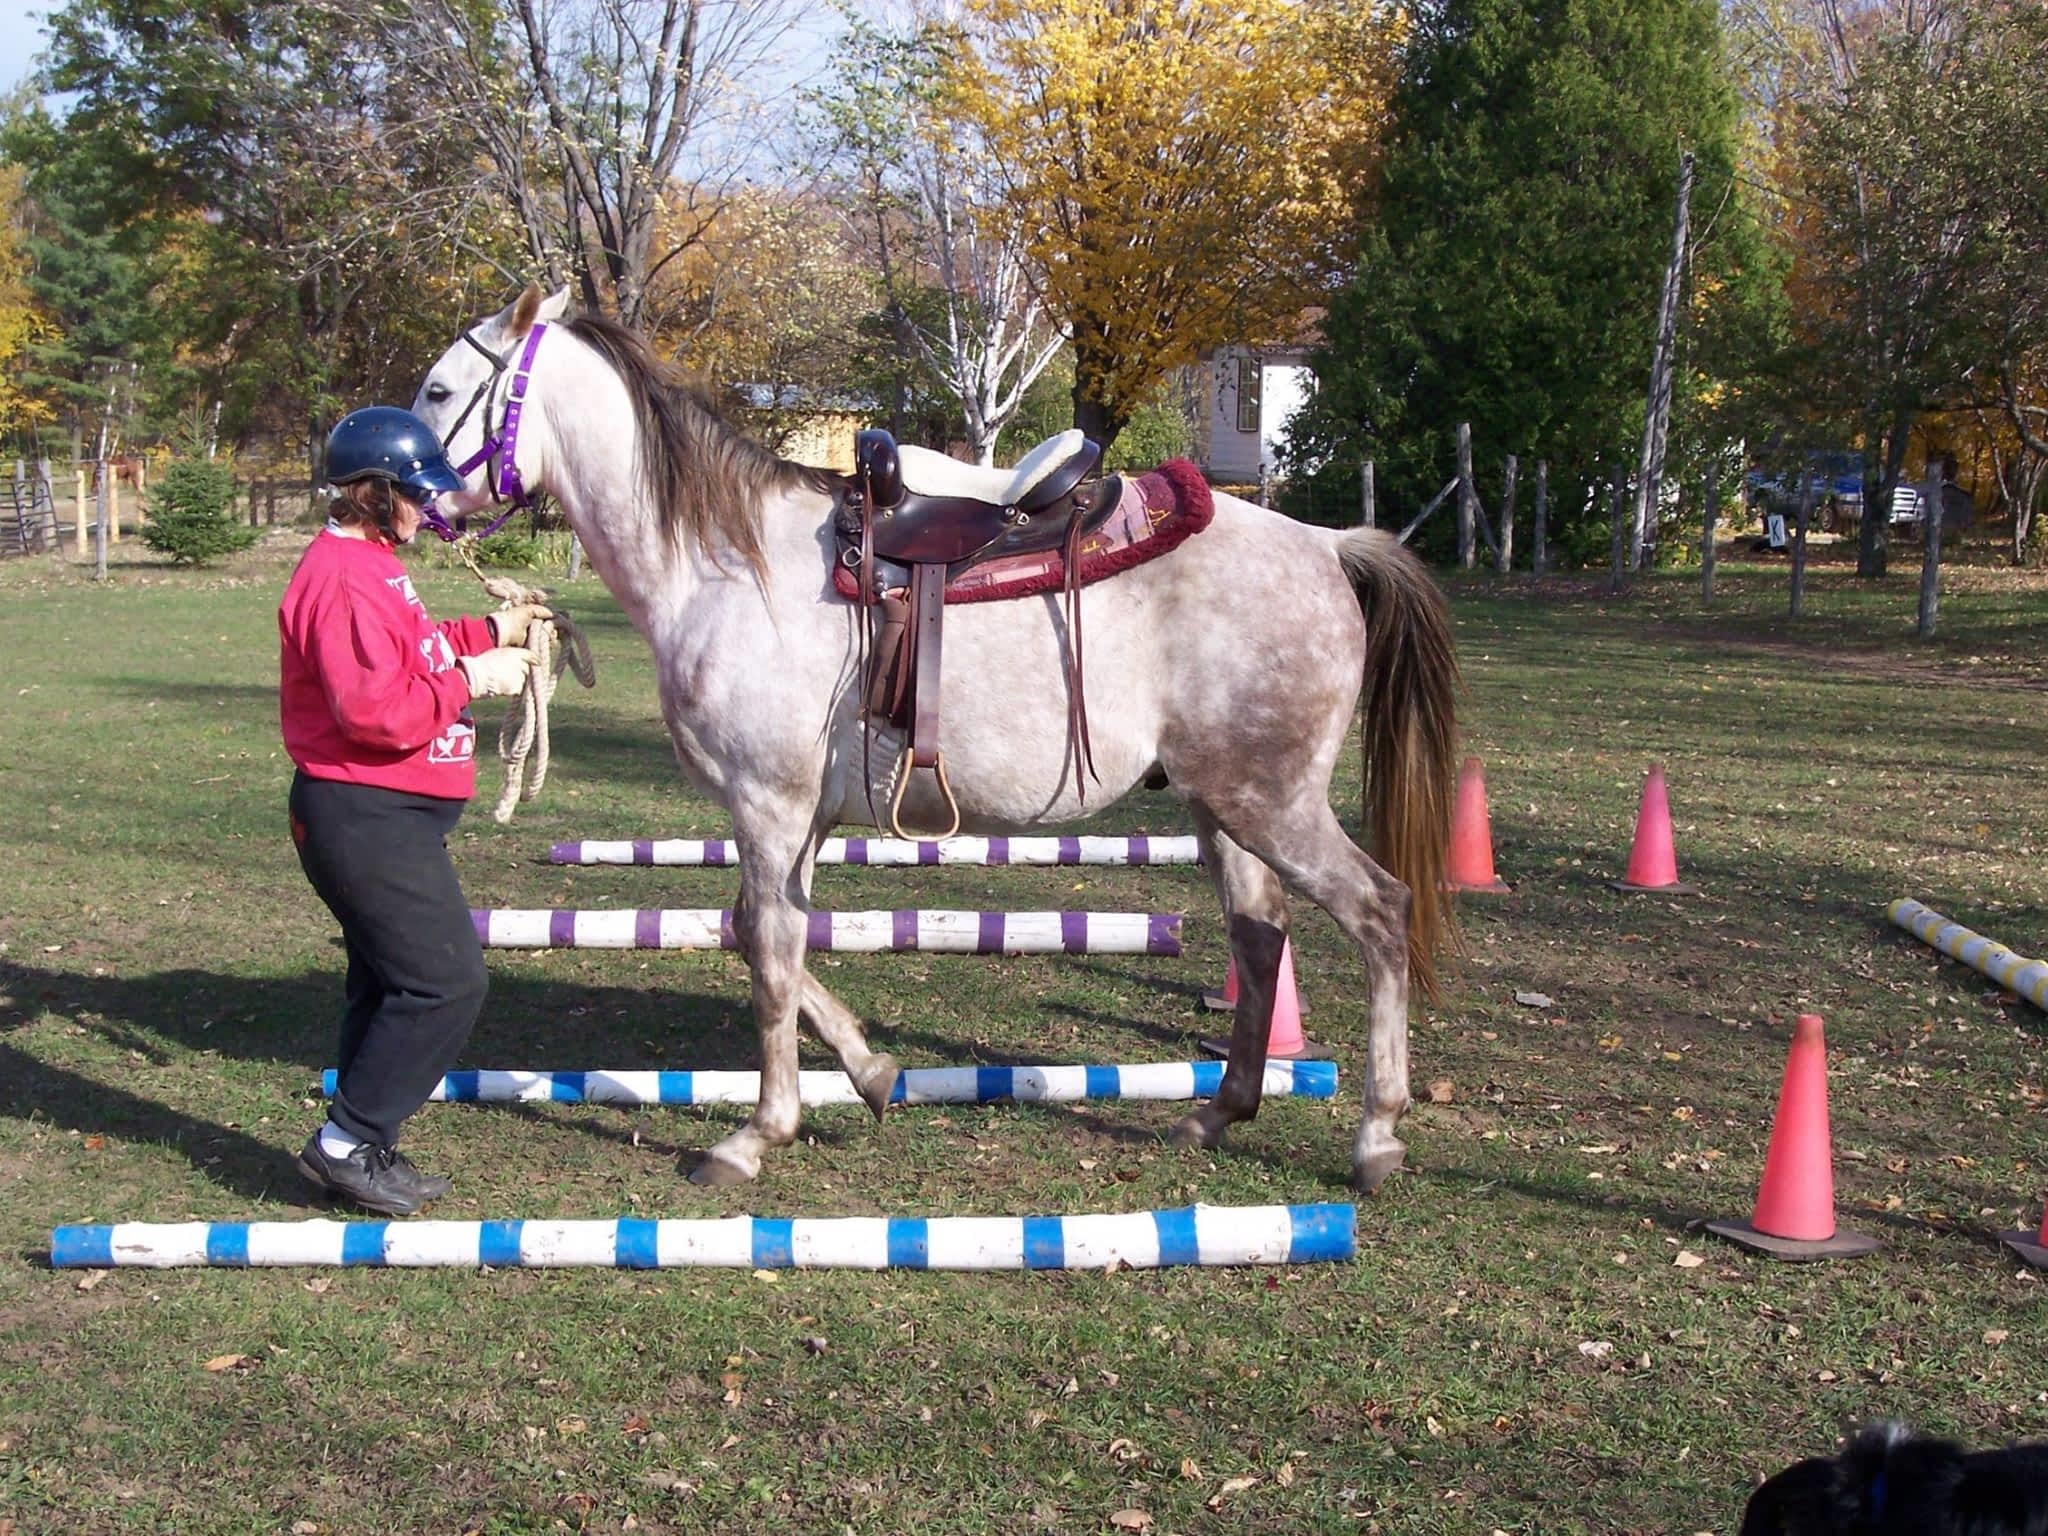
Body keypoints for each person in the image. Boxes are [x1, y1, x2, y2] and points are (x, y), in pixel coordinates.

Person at [278, 406, 549, 1215]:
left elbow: (410, 647)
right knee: (444, 984)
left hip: (384, 812)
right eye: (416, 493)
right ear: (372, 492)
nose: (428, 508)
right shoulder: (343, 576)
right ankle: (344, 1142)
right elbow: (373, 709)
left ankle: (362, 1145)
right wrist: (472, 680)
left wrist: (485, 630)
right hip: (363, 812)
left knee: (388, 983)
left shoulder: (374, 565)